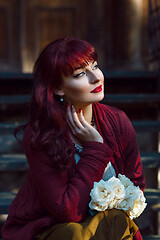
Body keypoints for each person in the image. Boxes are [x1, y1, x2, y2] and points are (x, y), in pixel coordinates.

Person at [2, 37, 146, 240]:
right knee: (73, 233)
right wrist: (95, 148)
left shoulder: (118, 122)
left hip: (105, 227)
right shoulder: (42, 136)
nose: (96, 78)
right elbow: (67, 211)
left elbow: (135, 186)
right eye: (80, 74)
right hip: (55, 229)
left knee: (118, 222)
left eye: (95, 66)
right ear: (58, 88)